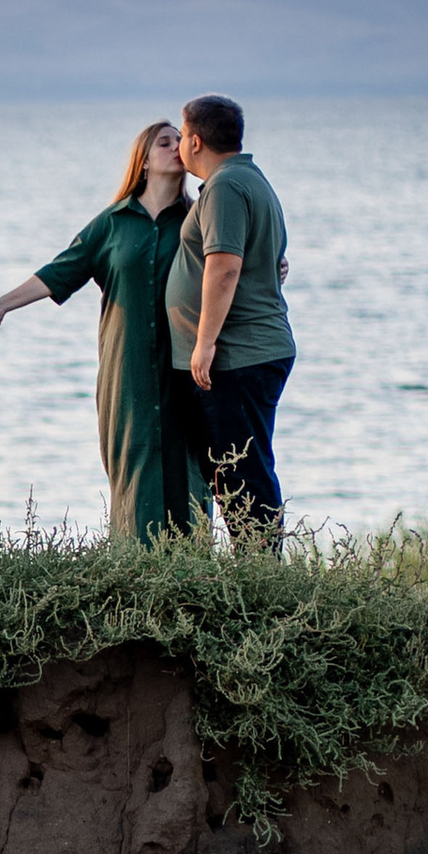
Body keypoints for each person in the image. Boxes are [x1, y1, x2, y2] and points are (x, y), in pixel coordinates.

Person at [0, 119, 208, 542]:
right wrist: (1, 305)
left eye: (180, 142)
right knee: (134, 475)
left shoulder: (197, 220)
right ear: (144, 162)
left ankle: (192, 583)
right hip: (127, 372)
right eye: (164, 142)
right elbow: (58, 272)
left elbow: (235, 264)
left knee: (188, 473)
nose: (176, 148)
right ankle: (133, 581)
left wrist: (274, 268)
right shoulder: (112, 224)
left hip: (186, 371)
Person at [171, 94, 292, 536]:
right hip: (250, 352)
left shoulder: (225, 186)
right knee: (234, 471)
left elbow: (224, 266)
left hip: (239, 356)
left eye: (181, 136)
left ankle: (261, 576)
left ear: (196, 141)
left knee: (244, 473)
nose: (180, 144)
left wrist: (204, 343)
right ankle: (256, 568)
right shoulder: (249, 179)